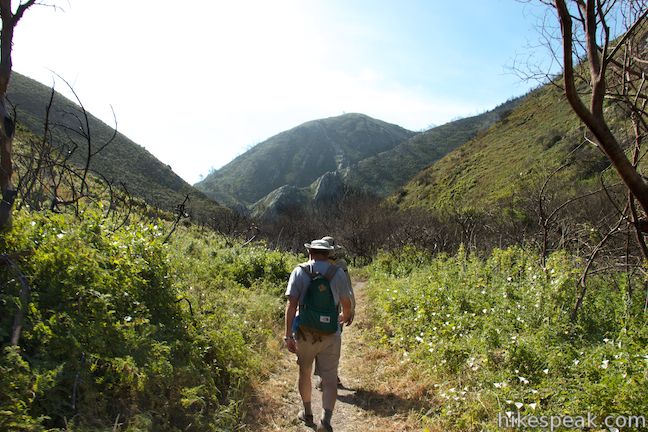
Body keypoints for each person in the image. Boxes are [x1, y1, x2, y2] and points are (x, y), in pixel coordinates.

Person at [284, 239, 353, 432]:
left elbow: (291, 306)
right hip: (330, 333)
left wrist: (288, 335)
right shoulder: (337, 272)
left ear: (310, 252)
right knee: (330, 379)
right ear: (328, 254)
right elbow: (347, 304)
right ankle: (326, 420)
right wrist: (342, 318)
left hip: (305, 333)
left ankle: (307, 413)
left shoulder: (299, 271)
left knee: (304, 372)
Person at [315, 236, 354, 389]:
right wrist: (350, 310)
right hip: (335, 310)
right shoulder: (340, 266)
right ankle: (328, 376)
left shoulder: (314, 264)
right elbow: (348, 289)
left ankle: (326, 376)